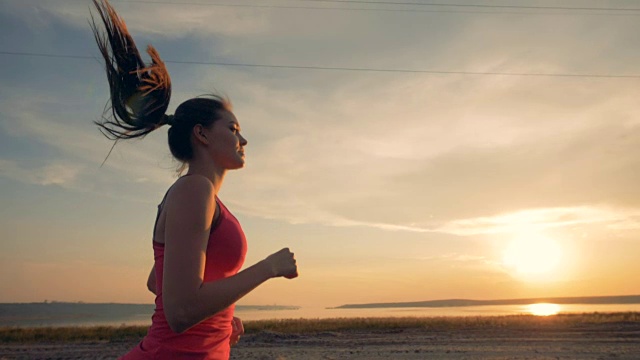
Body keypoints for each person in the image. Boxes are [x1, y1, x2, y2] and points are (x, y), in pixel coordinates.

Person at [89, 1, 299, 358]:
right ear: (201, 135)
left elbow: (157, 281)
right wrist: (268, 268)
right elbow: (181, 311)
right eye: (233, 129)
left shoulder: (200, 197)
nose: (243, 140)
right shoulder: (194, 189)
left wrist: (218, 314)